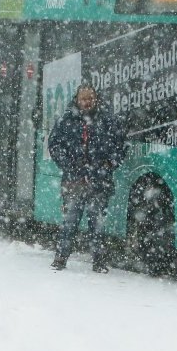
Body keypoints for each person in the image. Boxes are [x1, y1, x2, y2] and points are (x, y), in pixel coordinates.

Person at [47, 83, 126, 272]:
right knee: (69, 223)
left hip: (99, 183)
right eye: (84, 98)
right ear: (77, 99)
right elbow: (54, 145)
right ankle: (61, 258)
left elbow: (121, 147)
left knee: (97, 226)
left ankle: (98, 261)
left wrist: (109, 165)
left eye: (90, 98)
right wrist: (68, 164)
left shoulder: (108, 120)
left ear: (95, 99)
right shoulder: (66, 120)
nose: (87, 102)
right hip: (74, 182)